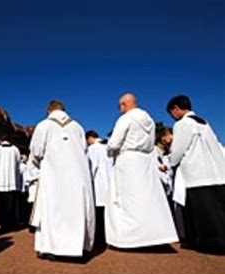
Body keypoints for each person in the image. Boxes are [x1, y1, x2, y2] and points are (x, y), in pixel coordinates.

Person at [105, 93, 178, 249]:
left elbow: (114, 143)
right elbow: (151, 143)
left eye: (120, 106)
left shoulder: (125, 119)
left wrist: (110, 150)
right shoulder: (149, 120)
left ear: (124, 105)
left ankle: (129, 239)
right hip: (145, 160)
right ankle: (153, 236)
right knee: (148, 198)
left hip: (128, 160)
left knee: (126, 199)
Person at [30, 100, 95, 259]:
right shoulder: (78, 127)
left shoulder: (43, 125)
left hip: (53, 175)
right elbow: (84, 150)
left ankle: (53, 248)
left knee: (54, 209)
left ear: (48, 110)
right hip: (78, 175)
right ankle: (79, 247)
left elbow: (36, 151)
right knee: (77, 209)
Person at [167, 95, 225, 253]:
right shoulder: (204, 122)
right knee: (218, 210)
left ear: (176, 109)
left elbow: (178, 149)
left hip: (197, 174)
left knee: (203, 212)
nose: (172, 116)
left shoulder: (182, 124)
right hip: (216, 172)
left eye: (171, 113)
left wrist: (171, 163)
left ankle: (210, 244)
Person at [86, 130, 113, 248]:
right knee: (109, 214)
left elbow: (92, 167)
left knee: (99, 214)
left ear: (90, 138)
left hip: (99, 185)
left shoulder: (93, 149)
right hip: (111, 184)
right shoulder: (108, 147)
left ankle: (100, 240)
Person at [0, 135, 22, 231]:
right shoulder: (15, 150)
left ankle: (2, 224)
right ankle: (13, 223)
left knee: (2, 204)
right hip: (12, 181)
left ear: (1, 140)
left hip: (1, 181)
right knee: (12, 203)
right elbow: (18, 165)